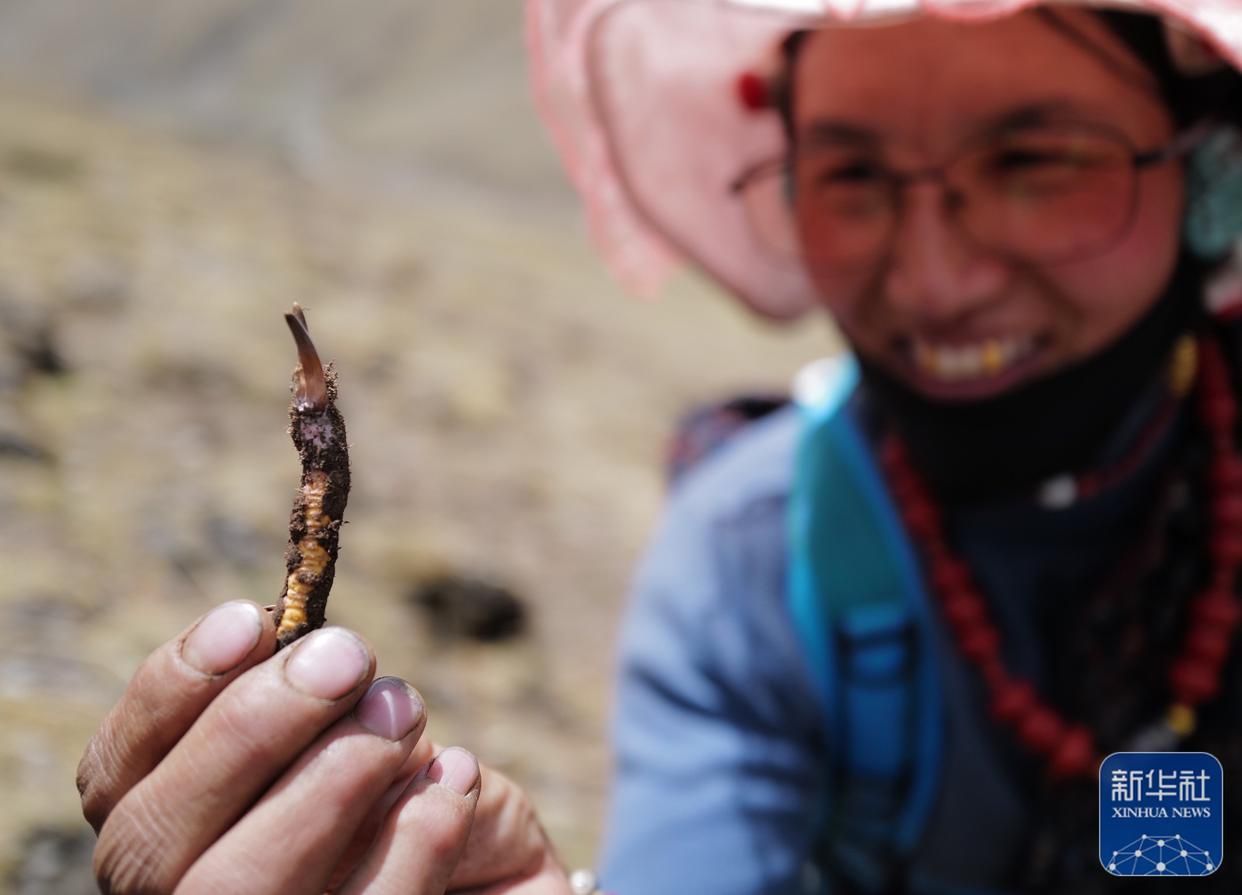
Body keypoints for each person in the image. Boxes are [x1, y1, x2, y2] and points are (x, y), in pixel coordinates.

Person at [79, 0, 1242, 892]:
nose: (935, 278)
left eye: (1037, 162)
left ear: (1210, 172)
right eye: (850, 174)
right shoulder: (751, 568)